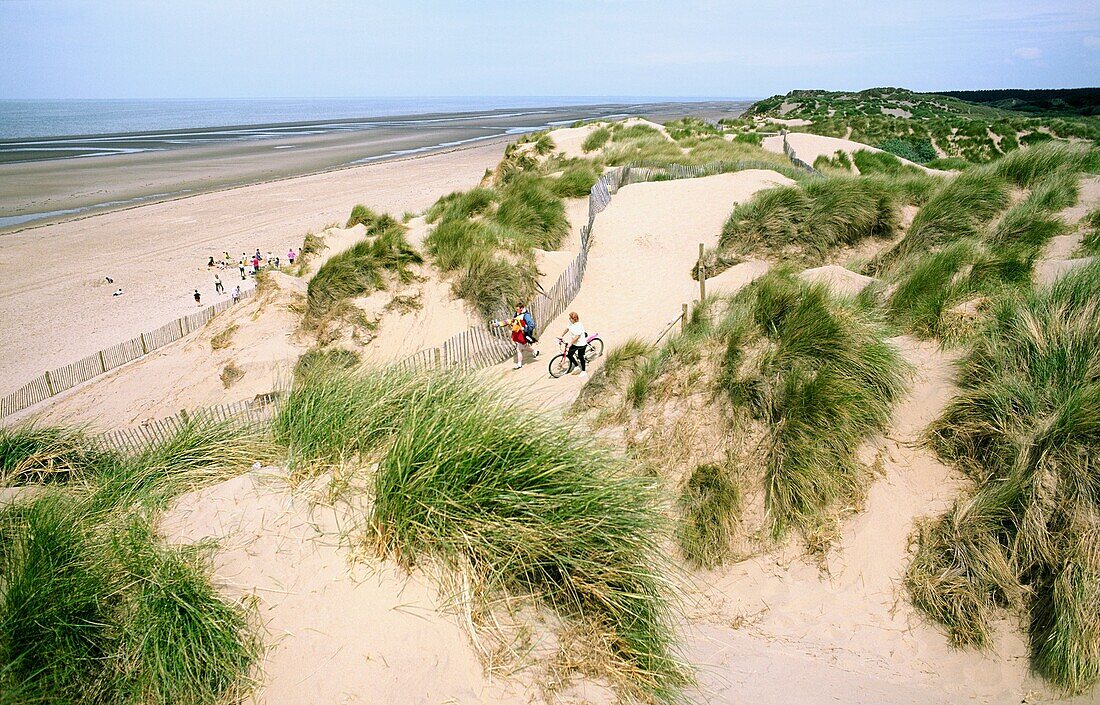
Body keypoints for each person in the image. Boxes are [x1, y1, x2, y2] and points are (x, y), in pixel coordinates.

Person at [559, 311, 588, 378]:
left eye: (570, 318)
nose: (569, 319)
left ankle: (584, 371)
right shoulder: (571, 323)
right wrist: (561, 335)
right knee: (570, 354)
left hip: (581, 344)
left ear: (574, 319)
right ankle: (577, 366)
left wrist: (570, 343)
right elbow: (567, 329)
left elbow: (577, 337)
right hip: (575, 343)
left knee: (581, 357)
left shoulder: (579, 325)